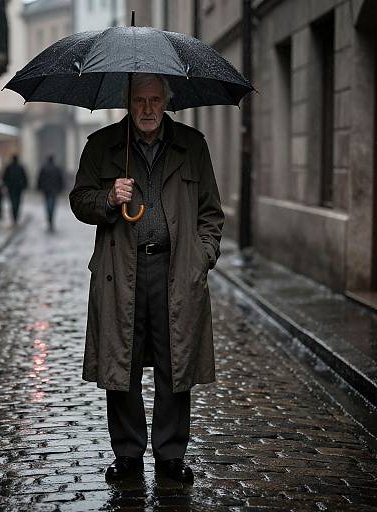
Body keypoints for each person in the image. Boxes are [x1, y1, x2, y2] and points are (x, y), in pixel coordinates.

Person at [69, 74, 224, 484]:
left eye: (156, 99)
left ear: (167, 100)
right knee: (123, 364)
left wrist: (202, 257)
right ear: (128, 102)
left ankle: (171, 455)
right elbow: (78, 199)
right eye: (140, 100)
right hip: (120, 272)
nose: (149, 109)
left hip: (176, 271)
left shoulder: (192, 145)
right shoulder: (103, 146)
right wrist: (108, 198)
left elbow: (211, 212)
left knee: (176, 363)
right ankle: (128, 455)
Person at [37, 154, 65, 230]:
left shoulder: (44, 168)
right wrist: (61, 188)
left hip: (46, 189)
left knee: (47, 204)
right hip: (54, 189)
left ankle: (49, 217)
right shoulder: (57, 168)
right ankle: (51, 217)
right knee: (52, 204)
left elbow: (40, 178)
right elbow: (60, 179)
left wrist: (39, 187)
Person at [3, 154, 28, 224]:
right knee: (16, 203)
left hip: (12, 189)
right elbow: (25, 177)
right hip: (17, 189)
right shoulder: (20, 167)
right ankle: (15, 216)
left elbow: (4, 178)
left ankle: (14, 216)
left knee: (13, 203)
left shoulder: (9, 167)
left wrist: (6, 185)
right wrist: (24, 185)